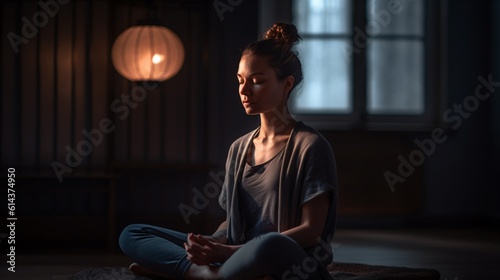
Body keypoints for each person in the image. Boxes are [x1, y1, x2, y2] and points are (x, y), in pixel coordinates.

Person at [119, 22, 338, 280]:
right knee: (133, 233)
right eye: (240, 81)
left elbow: (311, 230)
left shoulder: (310, 146)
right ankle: (198, 271)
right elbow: (232, 222)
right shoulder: (239, 148)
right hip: (235, 255)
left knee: (269, 244)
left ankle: (194, 273)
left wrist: (228, 252)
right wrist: (210, 245)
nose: (244, 91)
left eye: (256, 81)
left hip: (287, 262)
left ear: (287, 84)